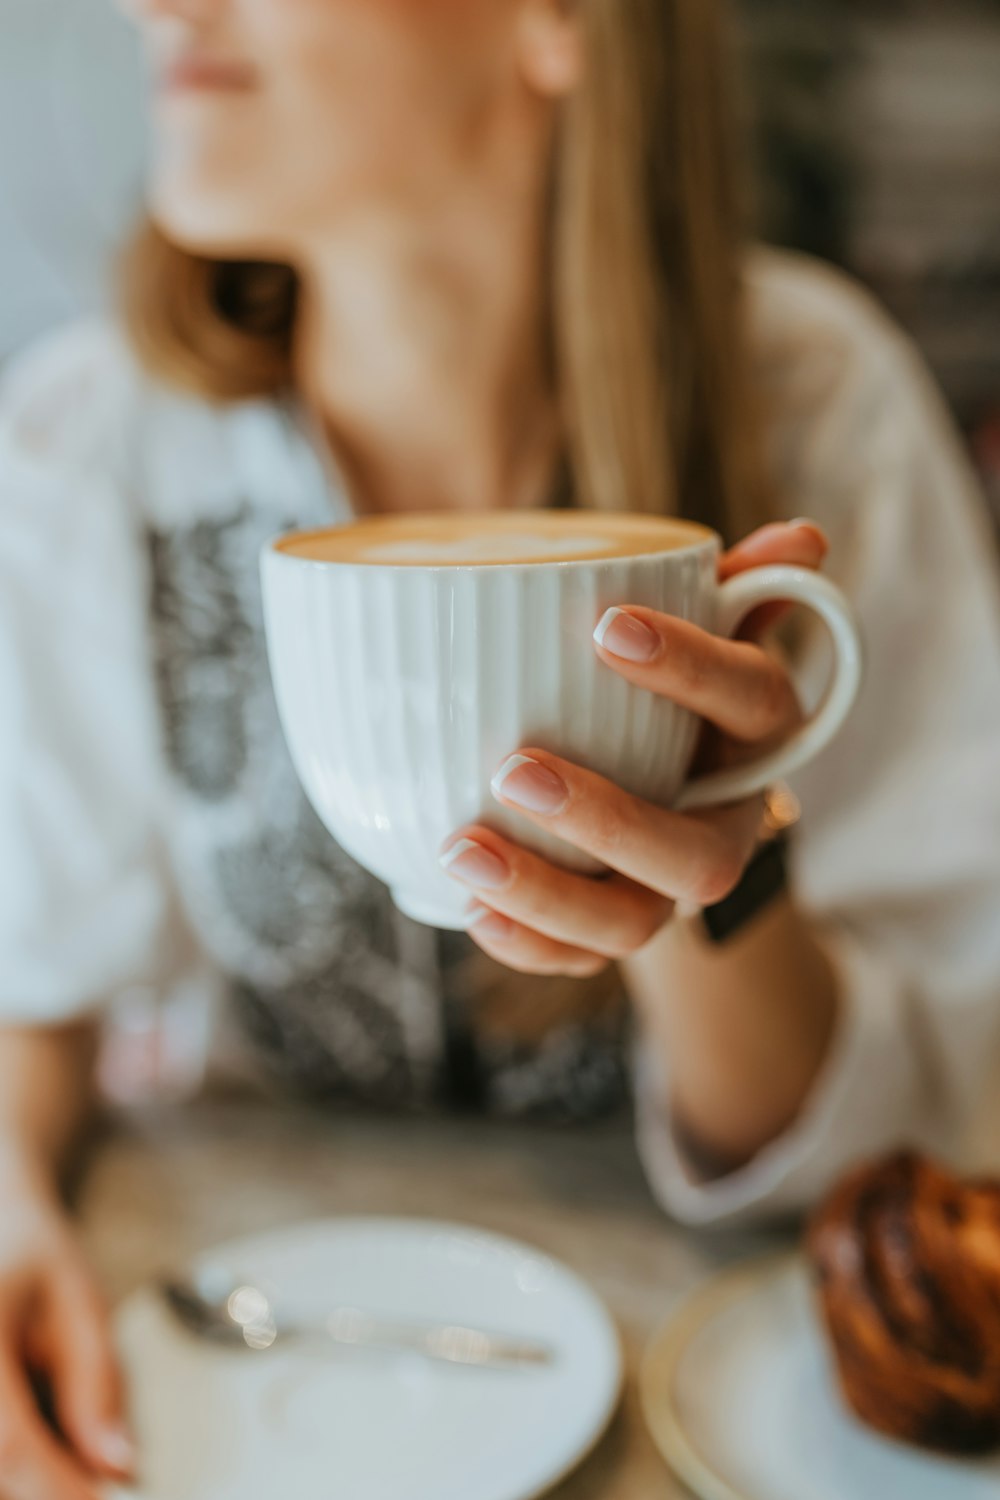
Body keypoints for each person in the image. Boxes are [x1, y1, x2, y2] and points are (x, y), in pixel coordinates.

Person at [2, 0, 1000, 1493]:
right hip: (259, 1380)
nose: (156, 6)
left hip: (687, 1392)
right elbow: (35, 994)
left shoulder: (820, 405)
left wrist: (709, 869)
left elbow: (899, 1152)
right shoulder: (83, 445)